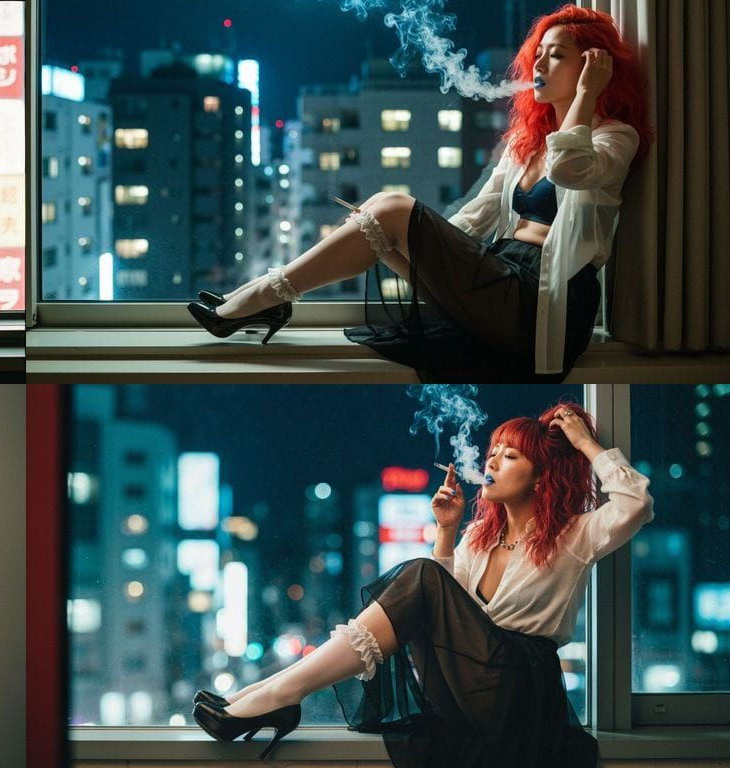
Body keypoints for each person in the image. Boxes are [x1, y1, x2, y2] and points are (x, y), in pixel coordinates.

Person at [188, 5, 654, 382]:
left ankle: (263, 297)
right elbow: (476, 215)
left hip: (543, 303)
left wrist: (588, 94)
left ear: (595, 66)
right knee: (380, 219)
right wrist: (426, 245)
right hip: (499, 280)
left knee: (391, 206)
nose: (538, 63)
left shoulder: (615, 137)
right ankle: (259, 297)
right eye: (539, 52)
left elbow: (571, 169)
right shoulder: (523, 143)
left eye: (557, 55)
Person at [192, 402, 654, 767]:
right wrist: (447, 532)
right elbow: (442, 609)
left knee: (419, 573)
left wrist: (584, 442)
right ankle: (258, 695)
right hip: (467, 678)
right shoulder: (480, 536)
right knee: (424, 573)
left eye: (509, 456)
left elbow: (636, 504)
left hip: (519, 688)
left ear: (541, 477)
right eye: (492, 451)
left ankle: (276, 697)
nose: (491, 460)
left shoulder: (573, 535)